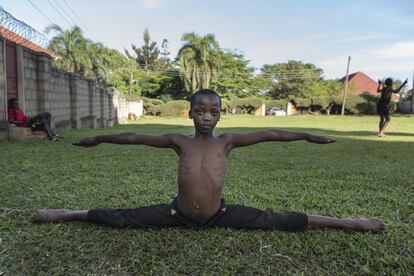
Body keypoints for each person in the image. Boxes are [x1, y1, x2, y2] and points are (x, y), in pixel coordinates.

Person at [32, 89, 385, 233]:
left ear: (220, 116)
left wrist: (309, 135)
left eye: (213, 111)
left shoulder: (228, 142)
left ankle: (350, 223)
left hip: (221, 214)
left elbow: (273, 134)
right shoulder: (178, 141)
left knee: (276, 219)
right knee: (123, 218)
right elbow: (134, 137)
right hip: (177, 214)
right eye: (200, 110)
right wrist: (99, 138)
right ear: (190, 113)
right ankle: (65, 213)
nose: (206, 116)